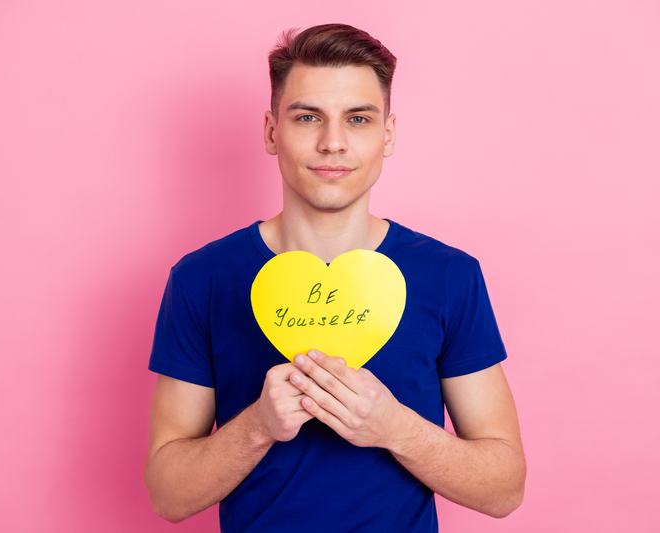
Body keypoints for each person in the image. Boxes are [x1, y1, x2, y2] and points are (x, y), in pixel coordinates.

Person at [144, 23, 526, 533]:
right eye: (308, 117)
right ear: (272, 131)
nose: (333, 143)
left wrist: (393, 428)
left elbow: (505, 489)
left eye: (358, 119)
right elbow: (167, 495)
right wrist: (259, 425)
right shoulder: (202, 279)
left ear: (387, 135)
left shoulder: (450, 276)